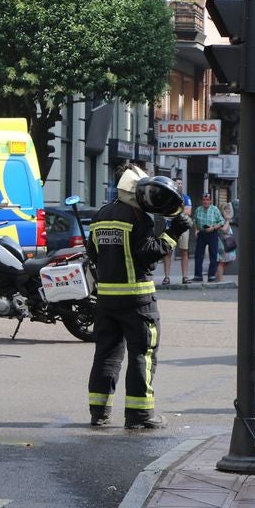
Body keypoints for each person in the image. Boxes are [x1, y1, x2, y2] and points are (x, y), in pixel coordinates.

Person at [87, 165, 190, 429]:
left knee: (106, 355)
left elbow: (93, 255)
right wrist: (174, 232)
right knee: (142, 355)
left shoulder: (100, 216)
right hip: (138, 300)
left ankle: (98, 413)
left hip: (107, 300)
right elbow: (150, 252)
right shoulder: (138, 217)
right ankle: (140, 415)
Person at [161, 178, 192, 285]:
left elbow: (188, 212)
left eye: (180, 184)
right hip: (170, 227)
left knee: (184, 251)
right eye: (177, 183)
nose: (179, 185)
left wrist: (175, 212)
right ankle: (166, 277)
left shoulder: (186, 198)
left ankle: (185, 277)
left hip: (183, 228)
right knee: (168, 251)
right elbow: (164, 211)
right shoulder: (168, 197)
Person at [193, 193, 225, 283]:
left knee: (213, 255)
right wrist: (196, 230)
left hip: (212, 233)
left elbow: (221, 221)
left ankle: (211, 276)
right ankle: (198, 276)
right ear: (202, 201)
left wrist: (213, 228)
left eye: (207, 200)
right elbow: (194, 221)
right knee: (198, 255)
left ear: (210, 201)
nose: (205, 202)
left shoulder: (215, 209)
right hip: (202, 233)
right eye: (204, 200)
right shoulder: (198, 209)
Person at [215, 200, 235, 281]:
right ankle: (219, 280)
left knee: (227, 261)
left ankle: (217, 278)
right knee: (222, 262)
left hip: (227, 242)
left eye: (228, 209)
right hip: (223, 243)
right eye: (225, 209)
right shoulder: (221, 219)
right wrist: (227, 221)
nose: (228, 211)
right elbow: (223, 229)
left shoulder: (225, 218)